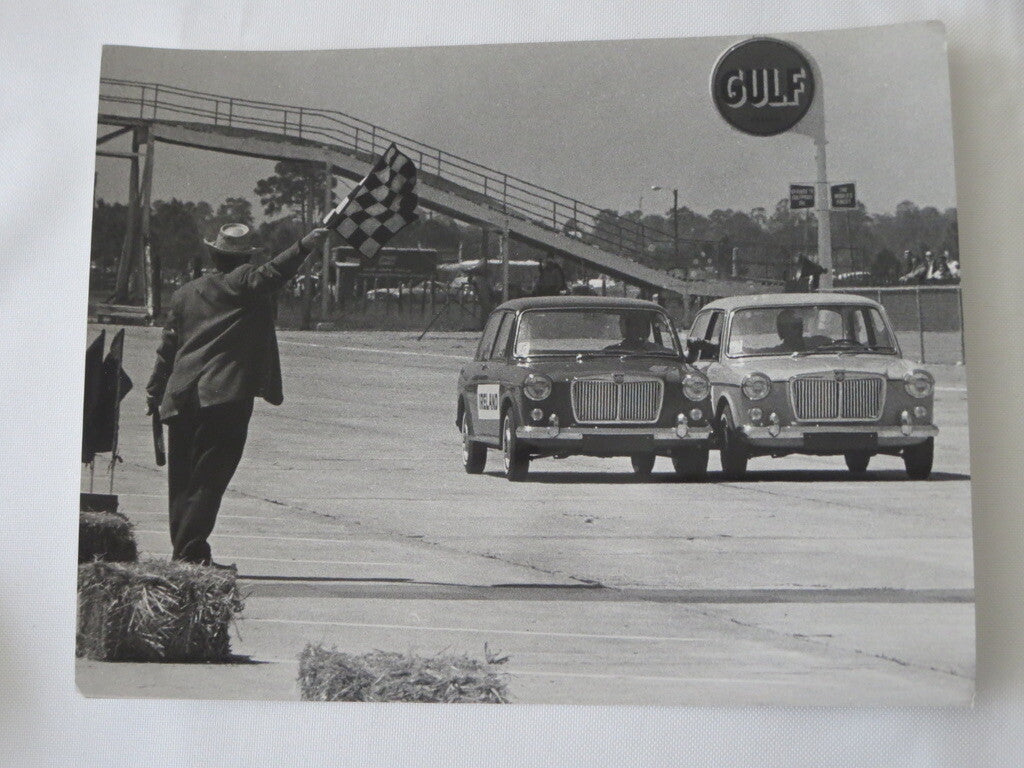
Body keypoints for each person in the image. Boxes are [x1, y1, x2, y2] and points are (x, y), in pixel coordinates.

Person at [146, 222, 331, 567]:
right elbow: (275, 272)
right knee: (209, 480)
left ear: (214, 255)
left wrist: (155, 389)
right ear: (246, 258)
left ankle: (187, 554)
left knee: (182, 483)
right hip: (224, 397)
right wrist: (305, 245)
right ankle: (188, 555)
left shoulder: (185, 293)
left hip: (181, 397)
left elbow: (167, 348)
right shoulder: (245, 282)